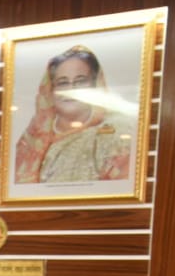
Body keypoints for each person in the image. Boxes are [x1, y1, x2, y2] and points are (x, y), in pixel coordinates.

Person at [14, 44, 132, 184]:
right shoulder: (32, 138)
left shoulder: (114, 134)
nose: (71, 89)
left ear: (95, 85)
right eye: (63, 83)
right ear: (51, 90)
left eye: (80, 81)